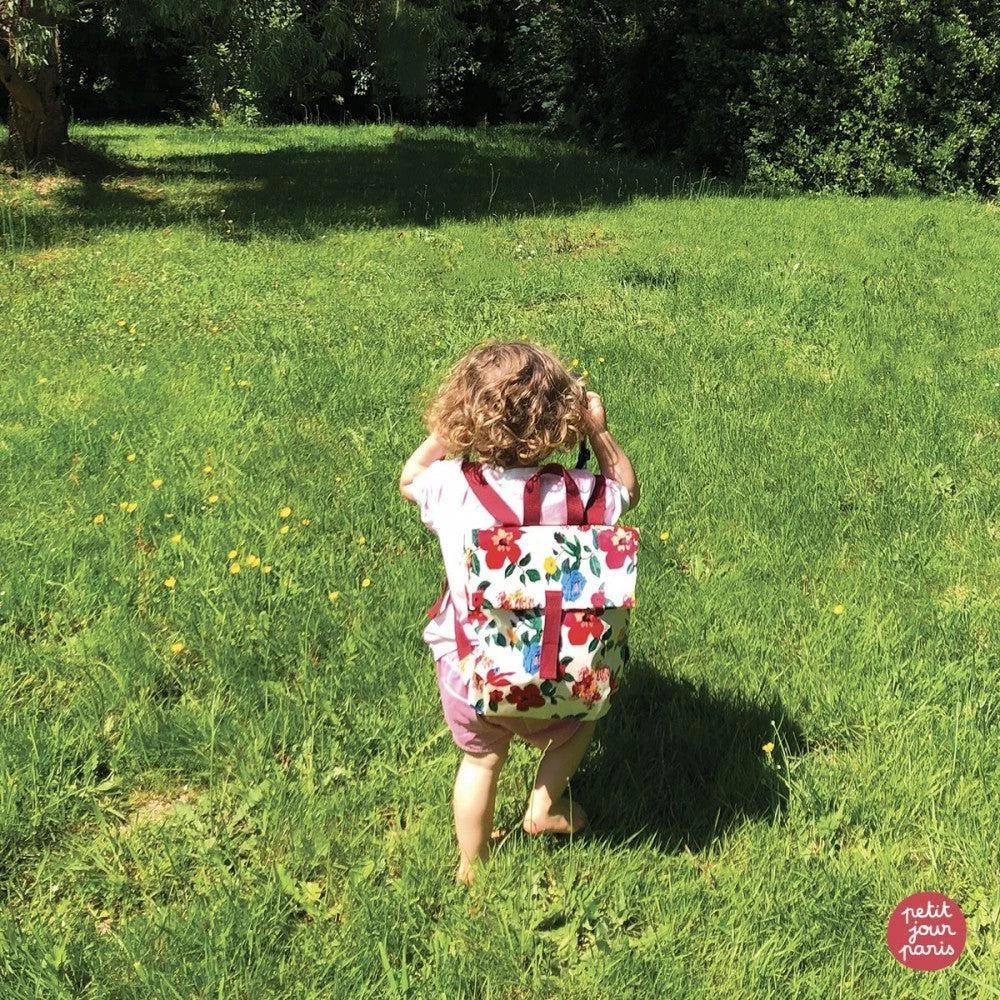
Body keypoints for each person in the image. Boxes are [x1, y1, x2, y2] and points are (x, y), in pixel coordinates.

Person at [400, 340, 640, 884]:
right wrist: (599, 432)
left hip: (471, 669)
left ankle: (471, 865)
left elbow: (408, 478)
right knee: (584, 720)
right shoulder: (583, 493)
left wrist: (445, 435)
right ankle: (545, 804)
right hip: (563, 671)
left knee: (481, 763)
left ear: (464, 415)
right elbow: (627, 487)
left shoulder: (450, 488)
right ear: (563, 417)